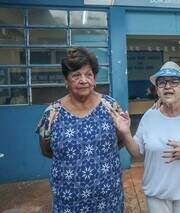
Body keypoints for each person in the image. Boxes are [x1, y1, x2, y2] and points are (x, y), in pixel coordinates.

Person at [112, 61, 180, 213]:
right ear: (158, 90)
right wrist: (126, 132)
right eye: (162, 83)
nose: (167, 86)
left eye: (174, 82)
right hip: (156, 192)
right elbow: (136, 152)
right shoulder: (149, 116)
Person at [36, 47, 124, 212]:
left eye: (88, 74)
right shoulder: (52, 113)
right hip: (68, 202)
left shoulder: (111, 106)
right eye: (76, 75)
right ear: (66, 80)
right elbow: (46, 150)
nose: (83, 80)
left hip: (108, 200)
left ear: (94, 78)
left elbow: (121, 140)